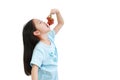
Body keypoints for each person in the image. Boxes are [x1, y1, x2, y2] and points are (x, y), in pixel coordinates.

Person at [23, 9, 64, 80]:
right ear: (36, 32)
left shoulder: (50, 37)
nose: (44, 22)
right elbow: (34, 69)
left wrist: (58, 12)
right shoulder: (39, 48)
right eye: (40, 22)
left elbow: (61, 23)